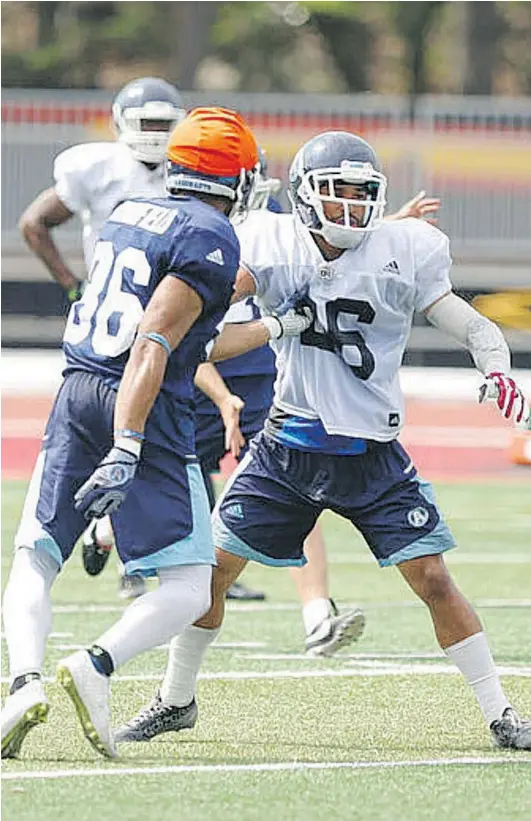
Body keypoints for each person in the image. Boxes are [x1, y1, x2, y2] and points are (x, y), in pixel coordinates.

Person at [115, 130, 531, 750]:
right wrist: (273, 321)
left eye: (363, 195)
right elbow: (201, 332)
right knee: (211, 576)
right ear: (307, 199)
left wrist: (497, 366)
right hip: (287, 446)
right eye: (336, 195)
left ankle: (500, 713)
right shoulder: (270, 244)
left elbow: (473, 326)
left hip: (373, 453)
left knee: (434, 579)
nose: (352, 208)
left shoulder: (406, 248)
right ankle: (176, 698)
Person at [1, 106, 313, 761]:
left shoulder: (127, 210)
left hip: (75, 386)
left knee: (35, 554)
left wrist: (280, 327)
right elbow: (156, 343)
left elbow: (193, 338)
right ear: (234, 178)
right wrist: (128, 441)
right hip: (142, 404)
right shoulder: (211, 234)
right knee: (189, 586)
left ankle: (22, 679)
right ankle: (95, 665)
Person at [18, 76, 261, 603]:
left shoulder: (184, 178)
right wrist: (73, 286)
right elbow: (34, 222)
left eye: (162, 125)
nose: (152, 134)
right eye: (144, 122)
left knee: (169, 435)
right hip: (125, 332)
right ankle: (164, 560)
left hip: (151, 323)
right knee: (152, 437)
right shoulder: (100, 170)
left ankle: (132, 548)